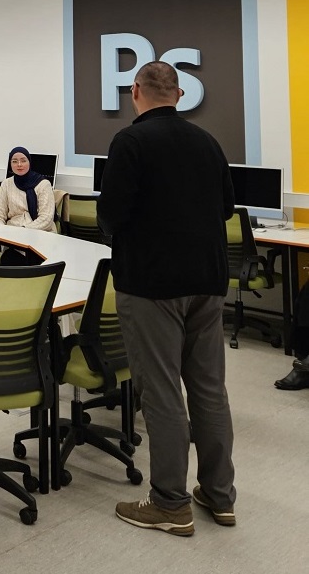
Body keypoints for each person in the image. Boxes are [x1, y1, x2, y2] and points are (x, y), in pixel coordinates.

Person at [97, 61, 236, 536]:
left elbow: (111, 215)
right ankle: (219, 495)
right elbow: (226, 208)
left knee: (161, 394)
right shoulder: (208, 142)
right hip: (208, 282)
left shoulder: (130, 141)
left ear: (135, 91)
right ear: (178, 94)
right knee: (209, 390)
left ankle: (170, 503)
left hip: (152, 286)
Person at [0, 146, 56, 265]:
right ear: (10, 164)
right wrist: (2, 232)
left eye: (23, 160)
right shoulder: (6, 184)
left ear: (29, 162)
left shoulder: (43, 184)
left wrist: (23, 232)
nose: (19, 165)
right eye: (14, 161)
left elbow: (46, 219)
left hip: (39, 236)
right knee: (9, 261)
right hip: (12, 239)